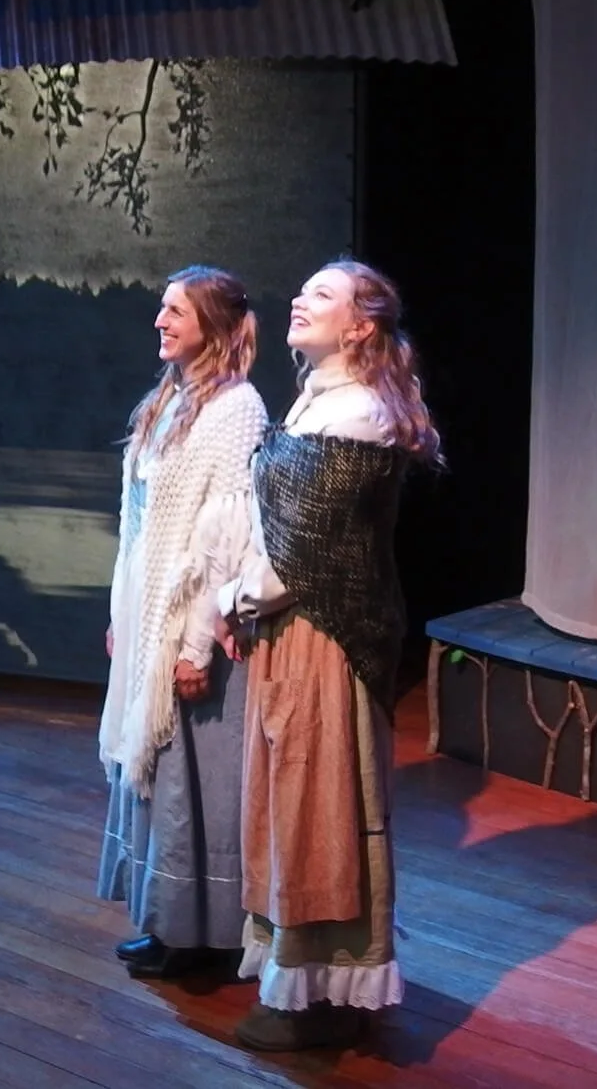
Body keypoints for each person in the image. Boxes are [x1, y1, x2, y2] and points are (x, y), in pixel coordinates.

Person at [215, 259, 440, 1053]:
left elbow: (304, 552)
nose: (297, 301)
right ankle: (301, 979)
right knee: (291, 802)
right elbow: (277, 527)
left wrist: (242, 598)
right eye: (299, 288)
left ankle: (324, 990)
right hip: (290, 630)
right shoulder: (318, 403)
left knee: (324, 806)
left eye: (321, 294)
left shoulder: (359, 415)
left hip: (326, 631)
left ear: (361, 325)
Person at [96, 265, 269, 977]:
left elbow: (225, 539)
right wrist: (121, 616)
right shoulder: (169, 402)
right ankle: (170, 924)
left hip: (195, 626)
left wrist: (196, 643)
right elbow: (138, 525)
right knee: (158, 774)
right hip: (149, 613)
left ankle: (206, 938)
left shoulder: (237, 410)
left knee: (194, 779)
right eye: (161, 310)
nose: (160, 323)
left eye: (176, 312)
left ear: (214, 326)